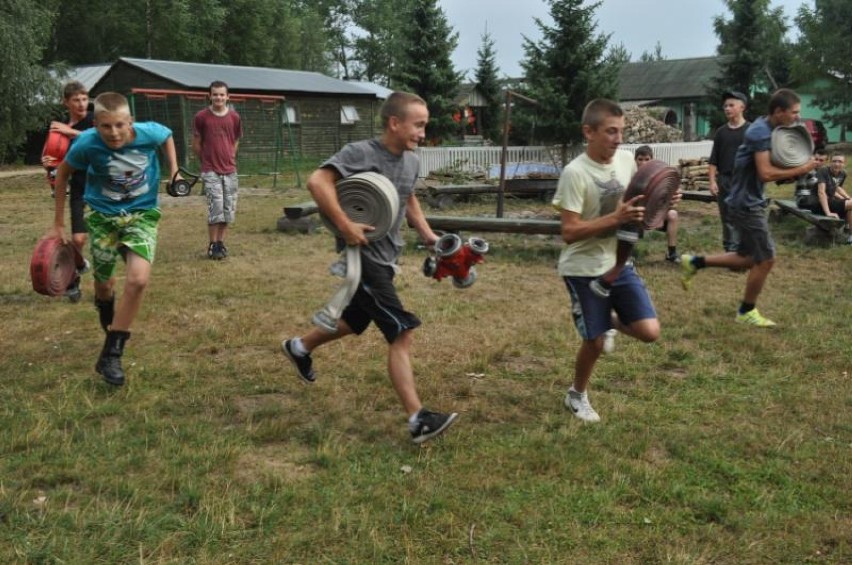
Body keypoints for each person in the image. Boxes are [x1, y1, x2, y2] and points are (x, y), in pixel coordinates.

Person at [280, 91, 458, 444]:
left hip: (388, 257)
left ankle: (299, 348)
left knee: (353, 321)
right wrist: (345, 224)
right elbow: (318, 182)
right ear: (394, 123)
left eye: (425, 125)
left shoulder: (410, 161)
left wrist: (427, 236)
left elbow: (407, 197)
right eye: (418, 125)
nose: (423, 133)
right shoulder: (360, 153)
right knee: (401, 331)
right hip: (362, 259)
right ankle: (417, 419)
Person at [46, 92, 181, 386]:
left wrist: (174, 171)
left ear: (130, 121)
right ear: (95, 124)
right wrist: (58, 223)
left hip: (141, 215)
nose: (114, 133)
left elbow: (167, 135)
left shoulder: (147, 133)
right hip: (103, 218)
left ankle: (112, 353)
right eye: (105, 126)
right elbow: (63, 174)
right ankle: (108, 322)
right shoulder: (86, 143)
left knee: (138, 280)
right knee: (105, 286)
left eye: (120, 125)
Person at [553, 99, 669, 423]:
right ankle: (576, 394)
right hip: (582, 269)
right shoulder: (574, 173)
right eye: (610, 131)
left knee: (649, 332)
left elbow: (642, 202)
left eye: (622, 131)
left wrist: (665, 196)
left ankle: (610, 321)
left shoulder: (628, 161)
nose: (618, 139)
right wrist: (616, 218)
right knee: (595, 342)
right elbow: (569, 232)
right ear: (588, 132)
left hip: (618, 262)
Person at [681, 89, 819, 327]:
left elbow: (769, 167)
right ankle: (746, 311)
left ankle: (695, 262)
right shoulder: (759, 132)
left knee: (746, 258)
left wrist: (798, 166)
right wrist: (802, 169)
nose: (797, 117)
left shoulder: (769, 129)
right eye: (794, 112)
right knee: (766, 259)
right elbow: (766, 173)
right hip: (746, 204)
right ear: (778, 111)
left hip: (747, 200)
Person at [41, 81, 94, 301]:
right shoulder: (60, 130)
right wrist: (47, 161)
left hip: (101, 183)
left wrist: (70, 131)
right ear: (66, 102)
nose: (82, 104)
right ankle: (75, 275)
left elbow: (98, 138)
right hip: (78, 185)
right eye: (76, 100)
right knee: (77, 239)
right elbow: (55, 157)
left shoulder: (93, 120)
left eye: (84, 99)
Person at [192, 80, 242, 260]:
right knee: (216, 208)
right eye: (215, 94)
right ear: (210, 96)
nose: (218, 97)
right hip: (210, 169)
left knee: (228, 210)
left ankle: (221, 243)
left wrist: (231, 156)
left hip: (230, 169)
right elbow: (196, 143)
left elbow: (236, 139)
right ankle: (212, 245)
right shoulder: (201, 117)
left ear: (228, 97)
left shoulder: (235, 117)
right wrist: (206, 161)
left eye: (222, 94)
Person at [708, 90, 750, 252]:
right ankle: (730, 250)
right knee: (727, 217)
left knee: (744, 216)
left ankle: (744, 249)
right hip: (725, 180)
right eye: (725, 106)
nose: (727, 108)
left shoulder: (751, 131)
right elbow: (713, 160)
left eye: (731, 105)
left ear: (742, 107)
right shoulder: (721, 132)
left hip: (745, 181)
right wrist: (712, 181)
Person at [634, 145, 680, 263]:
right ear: (635, 161)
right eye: (640, 159)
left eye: (647, 159)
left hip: (655, 214)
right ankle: (628, 254)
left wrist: (674, 197)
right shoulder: (631, 177)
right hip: (636, 215)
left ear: (652, 160)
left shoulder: (659, 177)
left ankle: (672, 253)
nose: (643, 162)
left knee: (673, 214)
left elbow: (667, 200)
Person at [805, 152, 852, 242]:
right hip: (817, 203)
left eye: (840, 161)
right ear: (830, 162)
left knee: (850, 204)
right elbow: (821, 192)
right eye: (834, 161)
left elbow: (837, 187)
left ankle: (849, 234)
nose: (837, 164)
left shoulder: (842, 174)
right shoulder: (823, 171)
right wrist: (828, 212)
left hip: (830, 201)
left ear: (844, 163)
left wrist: (847, 197)